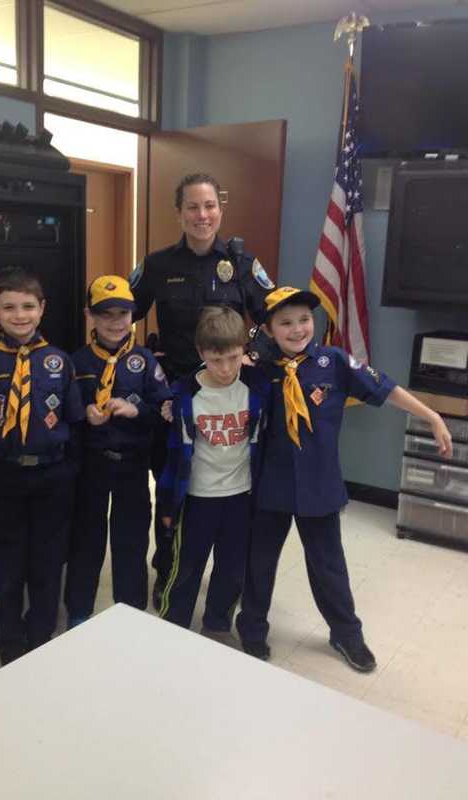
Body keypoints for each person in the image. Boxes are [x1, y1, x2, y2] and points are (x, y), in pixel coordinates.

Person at [236, 286, 453, 672]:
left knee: (328, 564)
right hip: (271, 483)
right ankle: (252, 629)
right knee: (260, 561)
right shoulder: (258, 371)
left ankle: (346, 633)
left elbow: (384, 388)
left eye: (303, 319)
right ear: (268, 330)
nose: (298, 328)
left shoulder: (333, 361)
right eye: (285, 323)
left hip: (319, 484)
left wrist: (432, 416)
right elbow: (215, 375)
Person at [130, 172, 275, 608]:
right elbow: (122, 314)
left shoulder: (241, 263)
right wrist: (135, 366)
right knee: (172, 488)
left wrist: (254, 355)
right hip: (178, 400)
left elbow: (274, 317)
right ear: (179, 212)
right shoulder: (157, 265)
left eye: (209, 205)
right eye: (192, 206)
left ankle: (224, 578)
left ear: (220, 209)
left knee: (227, 490)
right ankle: (168, 570)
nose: (202, 215)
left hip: (228, 394)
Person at [0, 267, 85, 667]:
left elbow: (74, 421)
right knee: (8, 559)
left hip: (52, 474)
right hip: (4, 475)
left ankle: (42, 629)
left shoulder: (59, 361)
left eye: (28, 306)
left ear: (42, 309)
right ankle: (10, 636)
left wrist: (69, 470)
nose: (20, 315)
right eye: (10, 307)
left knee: (49, 556)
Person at [64, 275, 171, 626]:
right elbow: (62, 416)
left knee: (132, 538)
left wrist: (136, 410)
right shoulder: (75, 362)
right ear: (89, 316)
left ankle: (131, 610)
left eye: (123, 313)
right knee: (86, 539)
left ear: (133, 315)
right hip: (90, 467)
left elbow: (164, 413)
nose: (115, 321)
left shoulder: (145, 362)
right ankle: (79, 611)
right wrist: (84, 415)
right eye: (105, 313)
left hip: (132, 466)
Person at [157, 305, 270, 637]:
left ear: (244, 352)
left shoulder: (259, 386)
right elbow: (174, 455)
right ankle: (172, 626)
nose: (225, 368)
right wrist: (167, 503)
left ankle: (217, 624)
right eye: (216, 359)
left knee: (232, 568)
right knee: (186, 568)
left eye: (234, 357)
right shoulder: (183, 392)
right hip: (197, 497)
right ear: (200, 352)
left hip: (241, 495)